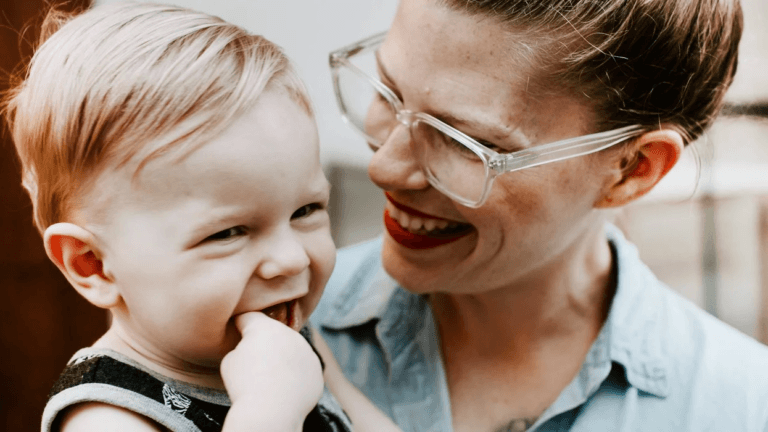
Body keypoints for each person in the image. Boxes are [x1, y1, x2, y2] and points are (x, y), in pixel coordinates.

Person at [311, 0, 768, 431]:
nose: (383, 168)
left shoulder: (742, 408)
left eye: (466, 142)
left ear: (631, 170)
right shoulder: (275, 327)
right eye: (387, 93)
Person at [3, 3, 353, 431]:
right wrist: (269, 409)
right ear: (92, 264)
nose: (292, 259)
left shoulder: (287, 335)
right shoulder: (106, 417)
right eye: (228, 233)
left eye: (306, 210)